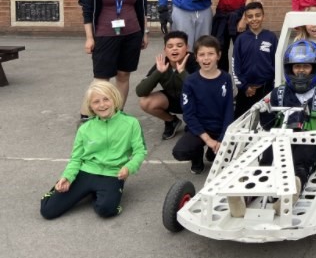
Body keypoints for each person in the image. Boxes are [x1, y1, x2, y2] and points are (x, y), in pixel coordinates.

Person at [40, 81, 146, 220]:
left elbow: (140, 151)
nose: (102, 105)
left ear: (115, 98)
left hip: (113, 174)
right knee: (48, 210)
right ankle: (90, 191)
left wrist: (128, 168)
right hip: (86, 171)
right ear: (90, 106)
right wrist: (67, 177)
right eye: (96, 102)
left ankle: (99, 194)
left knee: (106, 210)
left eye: (106, 99)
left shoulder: (131, 123)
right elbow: (76, 159)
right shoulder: (84, 128)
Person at [257, 40, 316, 208]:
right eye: (296, 67)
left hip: (311, 140)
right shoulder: (280, 92)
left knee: (300, 161)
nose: (301, 71)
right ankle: (247, 195)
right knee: (267, 157)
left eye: (306, 67)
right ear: (290, 69)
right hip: (281, 137)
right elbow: (267, 126)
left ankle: (292, 191)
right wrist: (264, 111)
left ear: (315, 68)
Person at [78, 0, 149, 112]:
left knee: (124, 75)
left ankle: (118, 112)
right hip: (105, 35)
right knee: (101, 78)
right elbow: (87, 11)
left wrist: (144, 33)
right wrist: (89, 38)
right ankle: (88, 114)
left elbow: (143, 9)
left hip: (132, 34)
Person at [172, 35, 234, 174]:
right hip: (199, 129)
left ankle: (212, 153)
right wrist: (207, 139)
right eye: (202, 54)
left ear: (218, 55)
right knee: (180, 152)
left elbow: (228, 110)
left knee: (232, 155)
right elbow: (189, 115)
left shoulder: (225, 78)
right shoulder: (190, 82)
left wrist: (222, 138)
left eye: (211, 54)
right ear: (196, 57)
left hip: (219, 128)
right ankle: (197, 155)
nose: (206, 58)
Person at [135, 30, 198, 140]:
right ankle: (171, 121)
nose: (174, 49)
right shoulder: (162, 63)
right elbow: (140, 91)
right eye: (170, 46)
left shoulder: (195, 61)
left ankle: (196, 122)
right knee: (145, 102)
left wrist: (183, 72)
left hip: (194, 103)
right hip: (173, 100)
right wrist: (158, 72)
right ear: (165, 50)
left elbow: (200, 90)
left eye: (179, 45)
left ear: (187, 47)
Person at [232, 1, 278, 119]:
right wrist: (244, 86)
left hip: (266, 90)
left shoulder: (271, 37)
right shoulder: (241, 40)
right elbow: (234, 66)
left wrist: (273, 86)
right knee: (241, 122)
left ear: (263, 16)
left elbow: (277, 63)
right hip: (246, 91)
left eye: (258, 15)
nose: (254, 19)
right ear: (246, 19)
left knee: (267, 122)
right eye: (250, 16)